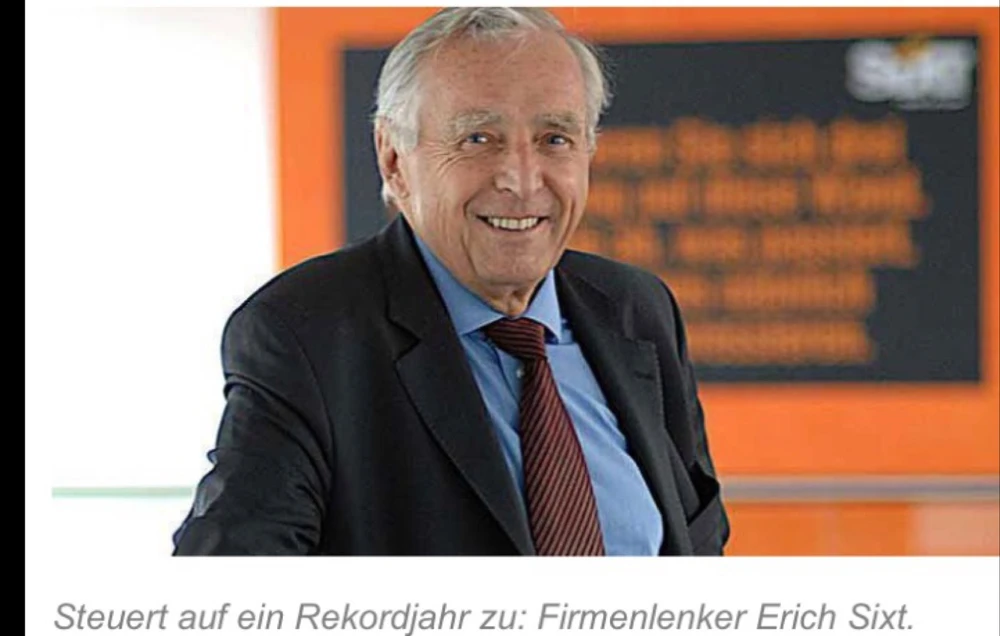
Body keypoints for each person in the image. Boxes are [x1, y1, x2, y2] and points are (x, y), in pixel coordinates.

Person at [173, 7, 728, 556]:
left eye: (555, 138)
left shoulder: (637, 309)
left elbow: (700, 544)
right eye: (478, 139)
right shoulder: (304, 333)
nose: (521, 180)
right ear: (394, 159)